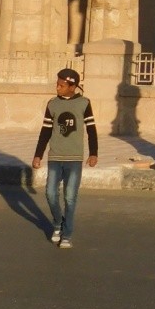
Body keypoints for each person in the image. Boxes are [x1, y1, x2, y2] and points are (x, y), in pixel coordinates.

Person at [32, 67, 98, 249]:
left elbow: (91, 130)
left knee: (70, 197)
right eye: (57, 84)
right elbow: (45, 131)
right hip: (55, 156)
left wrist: (93, 153)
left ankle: (67, 235)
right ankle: (57, 223)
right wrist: (38, 155)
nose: (57, 87)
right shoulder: (52, 104)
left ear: (72, 87)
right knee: (50, 193)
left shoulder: (84, 103)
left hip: (74, 158)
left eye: (61, 85)